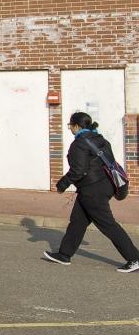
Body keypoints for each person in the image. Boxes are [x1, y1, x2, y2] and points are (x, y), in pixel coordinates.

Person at [44, 112, 139, 272]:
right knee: (78, 221)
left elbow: (78, 170)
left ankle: (134, 258)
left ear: (77, 126)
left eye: (70, 126)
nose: (70, 129)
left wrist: (62, 184)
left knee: (108, 225)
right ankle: (64, 254)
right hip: (104, 187)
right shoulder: (101, 140)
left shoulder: (79, 144)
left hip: (92, 191)